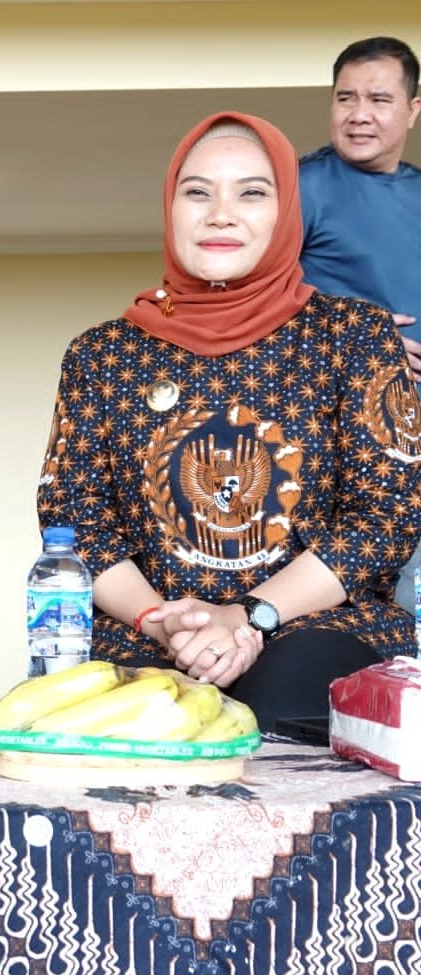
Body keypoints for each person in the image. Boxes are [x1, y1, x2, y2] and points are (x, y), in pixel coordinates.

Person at [37, 112, 421, 739]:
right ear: (171, 209)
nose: (221, 214)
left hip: (316, 629)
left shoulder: (354, 336)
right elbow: (77, 522)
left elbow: (386, 517)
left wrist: (248, 616)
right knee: (133, 729)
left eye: (251, 193)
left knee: (278, 705)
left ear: (287, 212)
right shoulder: (101, 355)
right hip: (150, 635)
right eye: (198, 192)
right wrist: (161, 621)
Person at [298, 36, 421, 612]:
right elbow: (248, 293)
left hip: (414, 437)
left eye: (378, 99)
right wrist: (364, 336)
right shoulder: (301, 186)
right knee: (346, 606)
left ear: (412, 110)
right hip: (340, 438)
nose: (359, 114)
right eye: (346, 98)